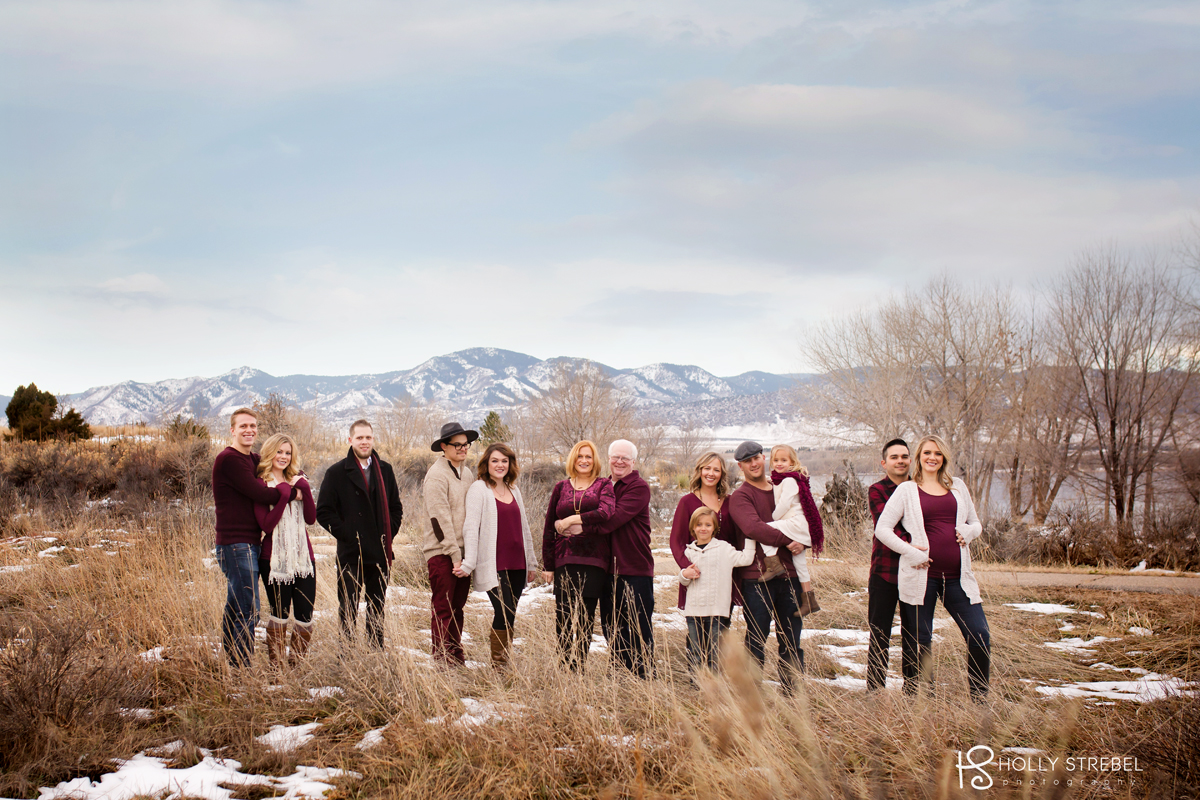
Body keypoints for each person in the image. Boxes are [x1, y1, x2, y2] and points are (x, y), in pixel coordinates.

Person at [873, 434, 990, 701]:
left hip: (959, 578)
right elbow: (883, 529)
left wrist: (968, 533)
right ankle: (921, 699)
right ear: (919, 457)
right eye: (927, 452)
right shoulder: (907, 490)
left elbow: (975, 523)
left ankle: (980, 698)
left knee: (979, 634)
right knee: (919, 641)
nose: (932, 457)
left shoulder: (958, 487)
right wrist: (912, 553)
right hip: (921, 577)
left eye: (937, 453)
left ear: (944, 458)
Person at [559, 439, 653, 678]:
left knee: (638, 626)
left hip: (634, 567)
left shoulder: (638, 487)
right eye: (615, 457)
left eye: (625, 458)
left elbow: (613, 519)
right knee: (612, 625)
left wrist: (574, 522)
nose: (619, 462)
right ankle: (619, 676)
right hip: (606, 569)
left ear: (633, 461)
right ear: (608, 459)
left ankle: (643, 678)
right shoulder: (604, 485)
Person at [727, 440, 808, 693]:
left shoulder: (784, 488)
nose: (753, 463)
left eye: (757, 458)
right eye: (747, 461)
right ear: (740, 466)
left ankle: (793, 693)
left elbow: (804, 517)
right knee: (756, 636)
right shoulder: (740, 497)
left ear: (764, 458)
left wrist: (804, 540)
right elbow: (753, 528)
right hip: (757, 577)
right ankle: (751, 694)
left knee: (791, 638)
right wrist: (790, 540)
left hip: (791, 574)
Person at [316, 419, 403, 649]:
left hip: (380, 551)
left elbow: (396, 508)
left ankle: (375, 654)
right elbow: (323, 512)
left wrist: (387, 533)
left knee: (377, 607)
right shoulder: (336, 472)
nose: (364, 442)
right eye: (360, 438)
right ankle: (346, 657)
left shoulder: (385, 470)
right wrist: (348, 534)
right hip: (350, 552)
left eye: (368, 437)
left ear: (373, 439)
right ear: (350, 440)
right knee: (348, 607)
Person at [212, 407, 288, 668]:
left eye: (253, 426)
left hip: (249, 543)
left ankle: (232, 664)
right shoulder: (229, 460)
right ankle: (242, 667)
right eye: (243, 426)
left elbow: (278, 470)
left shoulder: (252, 459)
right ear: (232, 430)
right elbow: (262, 493)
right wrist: (289, 493)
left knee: (236, 604)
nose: (249, 430)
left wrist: (295, 481)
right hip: (235, 543)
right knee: (249, 608)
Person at [455, 442, 538, 669]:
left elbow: (524, 527)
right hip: (495, 564)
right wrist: (469, 562)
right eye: (495, 461)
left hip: (517, 563)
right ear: (486, 464)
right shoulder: (479, 489)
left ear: (510, 464)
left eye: (504, 461)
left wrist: (531, 561)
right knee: (504, 609)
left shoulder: (514, 489)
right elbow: (470, 527)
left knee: (511, 613)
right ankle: (499, 666)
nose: (500, 465)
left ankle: (504, 661)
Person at [541, 440, 615, 672]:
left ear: (595, 461)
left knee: (585, 614)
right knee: (563, 613)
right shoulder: (561, 487)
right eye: (580, 456)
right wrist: (548, 565)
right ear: (573, 459)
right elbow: (548, 528)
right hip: (564, 558)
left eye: (589, 457)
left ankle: (579, 664)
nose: (584, 460)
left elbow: (606, 512)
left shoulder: (604, 484)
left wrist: (571, 520)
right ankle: (563, 663)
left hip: (594, 559)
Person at [254, 433, 317, 667]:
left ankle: (295, 667)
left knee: (305, 617)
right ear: (270, 453)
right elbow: (266, 525)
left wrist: (304, 490)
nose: (283, 456)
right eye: (279, 452)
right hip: (274, 559)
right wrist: (284, 496)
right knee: (279, 613)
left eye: (288, 452)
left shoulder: (298, 479)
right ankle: (277, 669)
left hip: (303, 558)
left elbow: (311, 518)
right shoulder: (261, 483)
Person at [422, 421, 478, 666]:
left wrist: (468, 554)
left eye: (466, 444)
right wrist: (455, 555)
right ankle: (441, 658)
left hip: (463, 552)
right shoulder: (436, 475)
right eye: (457, 445)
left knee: (458, 607)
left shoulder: (466, 473)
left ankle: (456, 656)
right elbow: (439, 519)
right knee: (443, 607)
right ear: (443, 446)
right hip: (441, 552)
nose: (463, 449)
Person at [866, 438, 919, 694]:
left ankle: (913, 691)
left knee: (915, 634)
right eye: (894, 457)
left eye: (904, 456)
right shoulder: (877, 490)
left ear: (911, 460)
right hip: (884, 571)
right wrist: (915, 544)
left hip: (916, 572)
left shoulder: (920, 489)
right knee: (879, 633)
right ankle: (875, 691)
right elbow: (886, 526)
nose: (900, 461)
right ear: (884, 463)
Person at [679, 506, 756, 673]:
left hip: (717, 611)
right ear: (693, 527)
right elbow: (684, 580)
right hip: (694, 611)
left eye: (708, 525)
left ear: (714, 528)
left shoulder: (724, 549)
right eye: (699, 525)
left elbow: (746, 559)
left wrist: (751, 535)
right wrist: (685, 573)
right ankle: (697, 683)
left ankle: (716, 684)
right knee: (695, 650)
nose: (703, 528)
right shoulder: (688, 551)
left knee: (716, 651)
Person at [760, 444, 825, 617]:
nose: (779, 463)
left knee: (764, 530)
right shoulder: (782, 479)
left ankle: (773, 564)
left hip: (795, 522)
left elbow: (784, 504)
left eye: (784, 460)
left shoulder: (789, 480)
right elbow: (776, 486)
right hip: (797, 524)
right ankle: (809, 601)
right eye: (776, 460)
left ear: (792, 461)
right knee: (800, 564)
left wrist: (773, 518)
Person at [670, 452, 736, 612]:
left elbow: (737, 537)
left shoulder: (730, 501)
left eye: (716, 470)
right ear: (700, 471)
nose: (711, 473)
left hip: (723, 574)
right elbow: (676, 541)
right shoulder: (687, 502)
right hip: (698, 573)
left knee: (721, 625)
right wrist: (688, 567)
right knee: (697, 627)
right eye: (707, 468)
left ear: (722, 474)